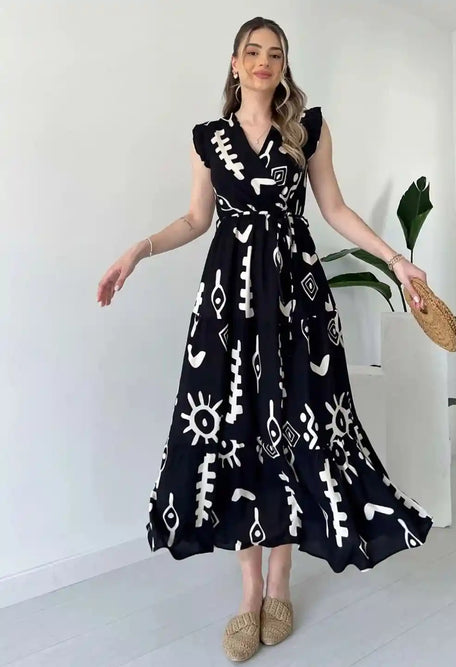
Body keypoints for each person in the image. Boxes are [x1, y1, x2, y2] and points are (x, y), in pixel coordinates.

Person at [97, 16, 433, 663]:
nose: (263, 61)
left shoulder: (307, 129)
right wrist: (139, 249)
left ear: (283, 66)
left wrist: (396, 260)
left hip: (296, 303)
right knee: (236, 432)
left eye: (274, 53)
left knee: (297, 426)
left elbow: (334, 209)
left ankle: (281, 581)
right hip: (229, 307)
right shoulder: (208, 139)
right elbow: (196, 219)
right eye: (252, 51)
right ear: (234, 63)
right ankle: (249, 590)